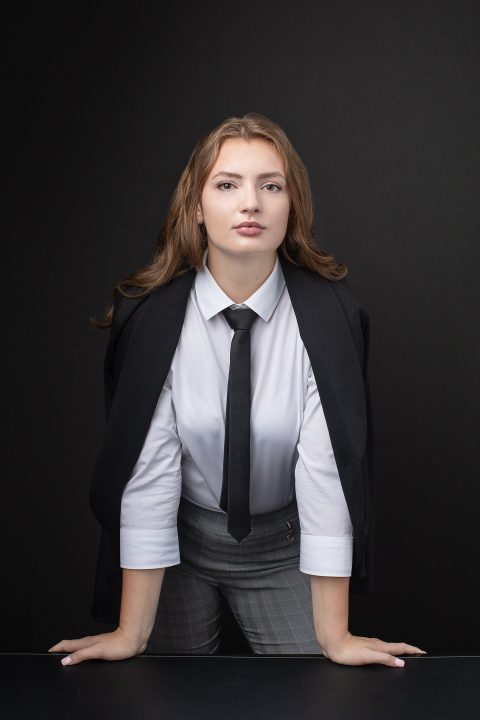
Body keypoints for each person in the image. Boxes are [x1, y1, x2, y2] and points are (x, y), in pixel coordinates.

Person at [49, 112, 426, 667]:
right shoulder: (153, 318)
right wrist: (130, 632)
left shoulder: (329, 317)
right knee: (157, 696)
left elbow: (327, 473)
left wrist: (336, 637)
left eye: (270, 186)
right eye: (227, 185)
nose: (250, 203)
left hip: (283, 546)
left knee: (320, 693)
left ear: (291, 206)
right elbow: (148, 472)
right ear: (197, 207)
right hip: (178, 544)